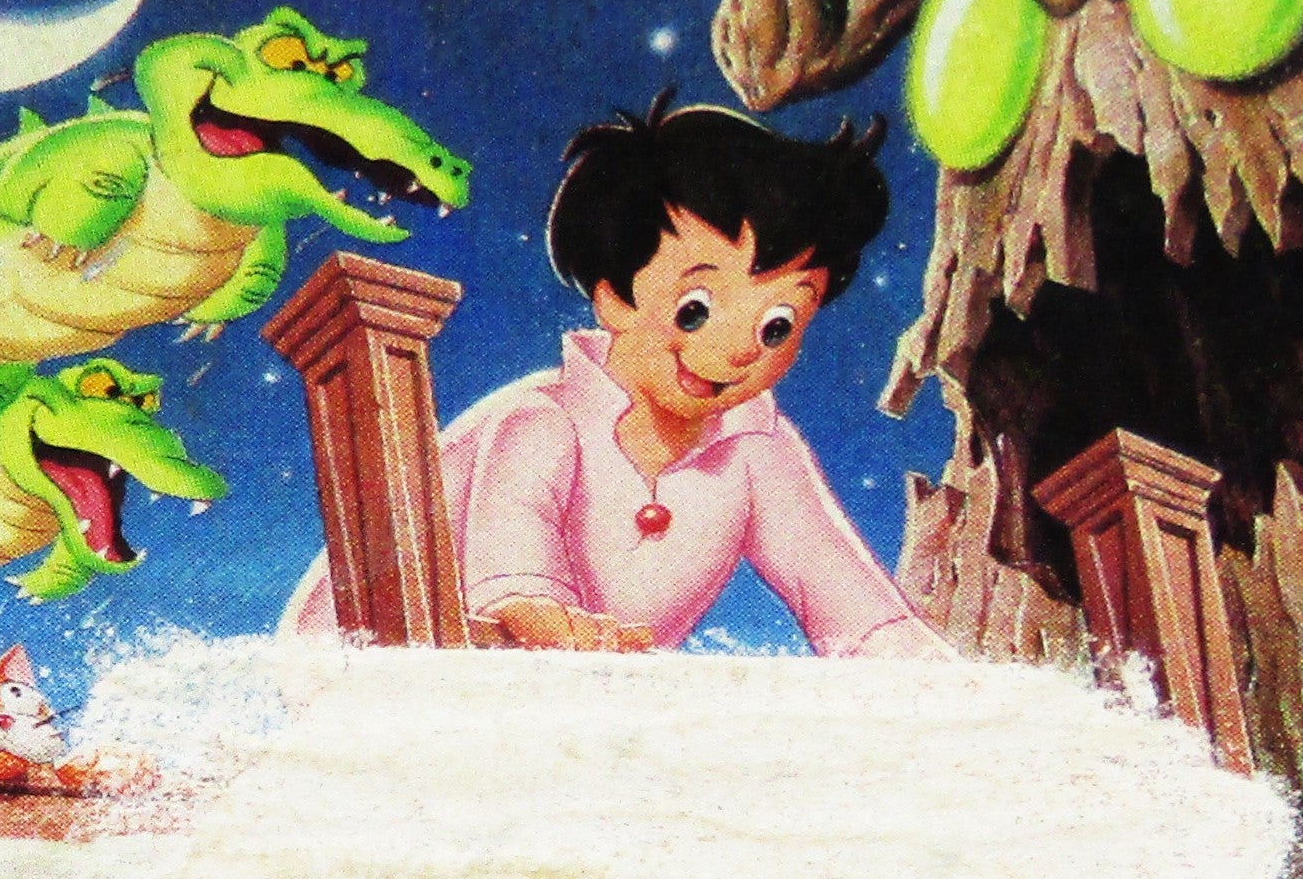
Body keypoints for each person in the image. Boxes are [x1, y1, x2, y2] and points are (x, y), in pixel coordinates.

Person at [284, 92, 937, 657]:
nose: (740, 350)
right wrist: (546, 620)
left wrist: (943, 688)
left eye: (777, 326)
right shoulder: (539, 424)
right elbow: (516, 582)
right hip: (370, 666)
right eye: (695, 310)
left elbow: (855, 608)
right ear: (614, 299)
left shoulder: (756, 450)